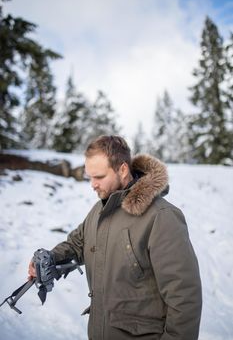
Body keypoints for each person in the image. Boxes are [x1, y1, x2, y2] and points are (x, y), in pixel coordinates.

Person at [28, 135, 202, 340]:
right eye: (89, 177)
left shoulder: (161, 217)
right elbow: (78, 243)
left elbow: (184, 296)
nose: (92, 184)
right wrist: (50, 257)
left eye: (99, 177)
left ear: (122, 169)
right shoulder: (99, 210)